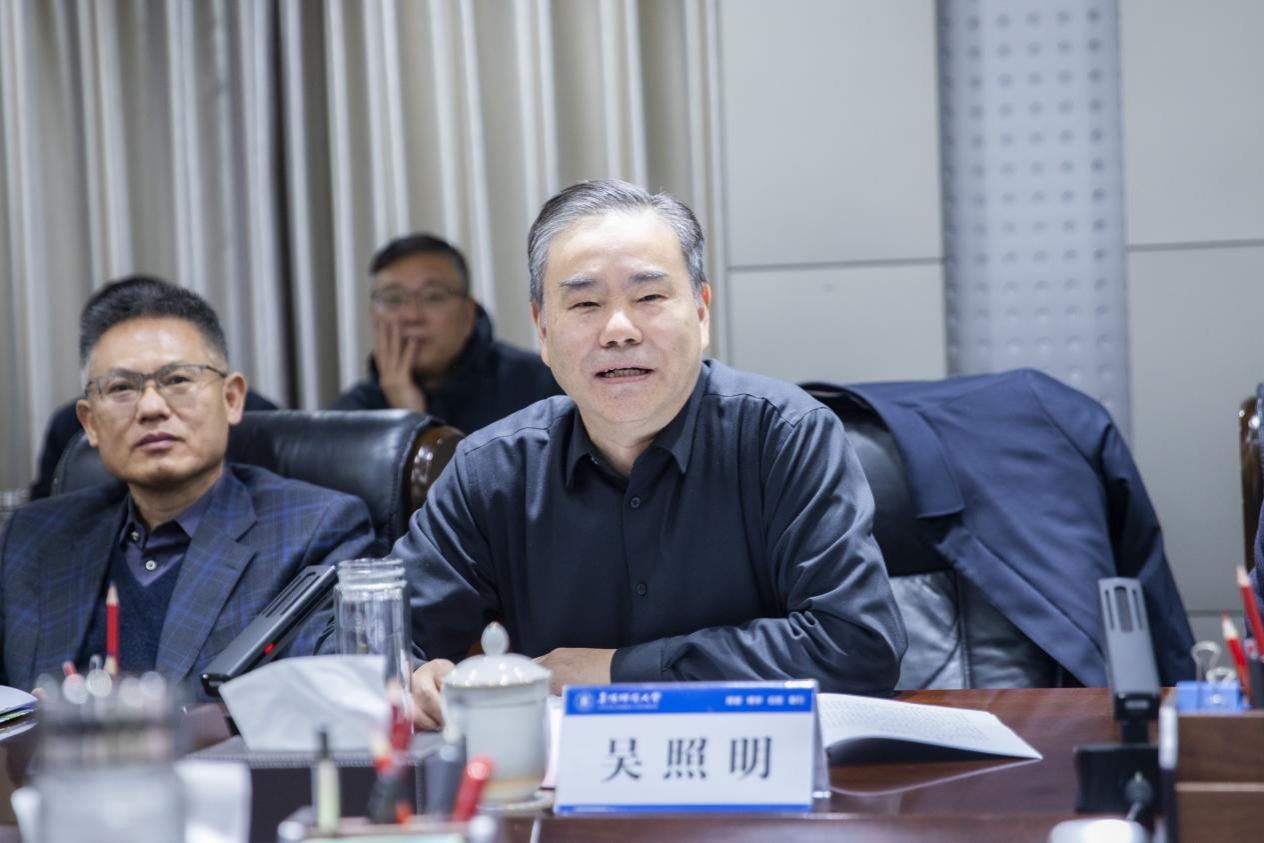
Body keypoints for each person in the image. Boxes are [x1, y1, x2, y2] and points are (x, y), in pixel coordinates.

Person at [401, 180, 906, 729]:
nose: (619, 330)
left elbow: (857, 645)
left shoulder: (785, 436)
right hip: (568, 778)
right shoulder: (493, 469)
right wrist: (410, 674)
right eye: (585, 303)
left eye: (649, 298)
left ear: (701, 313)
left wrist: (619, 672)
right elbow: (371, 639)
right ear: (543, 329)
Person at [0, 277, 376, 696]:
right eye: (121, 387)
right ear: (90, 422)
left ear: (232, 399)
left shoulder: (313, 530)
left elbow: (348, 679)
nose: (151, 407)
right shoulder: (34, 538)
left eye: (177, 379)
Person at [331, 233, 561, 433]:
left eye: (433, 296)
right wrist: (406, 415)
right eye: (393, 298)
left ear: (469, 313)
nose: (412, 316)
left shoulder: (541, 387)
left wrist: (415, 424)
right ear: (372, 313)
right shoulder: (352, 416)